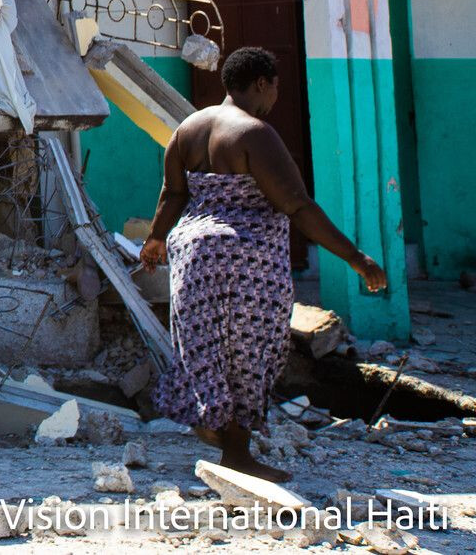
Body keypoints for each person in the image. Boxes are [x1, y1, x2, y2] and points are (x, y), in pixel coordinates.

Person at [142, 46, 388, 482]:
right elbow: (297, 206)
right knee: (247, 353)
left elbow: (173, 193)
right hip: (246, 262)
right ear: (261, 83)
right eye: (274, 87)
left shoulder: (188, 129)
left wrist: (156, 239)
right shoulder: (255, 134)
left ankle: (213, 424)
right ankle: (237, 455)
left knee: (206, 350)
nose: (274, 96)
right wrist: (356, 258)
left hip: (194, 255)